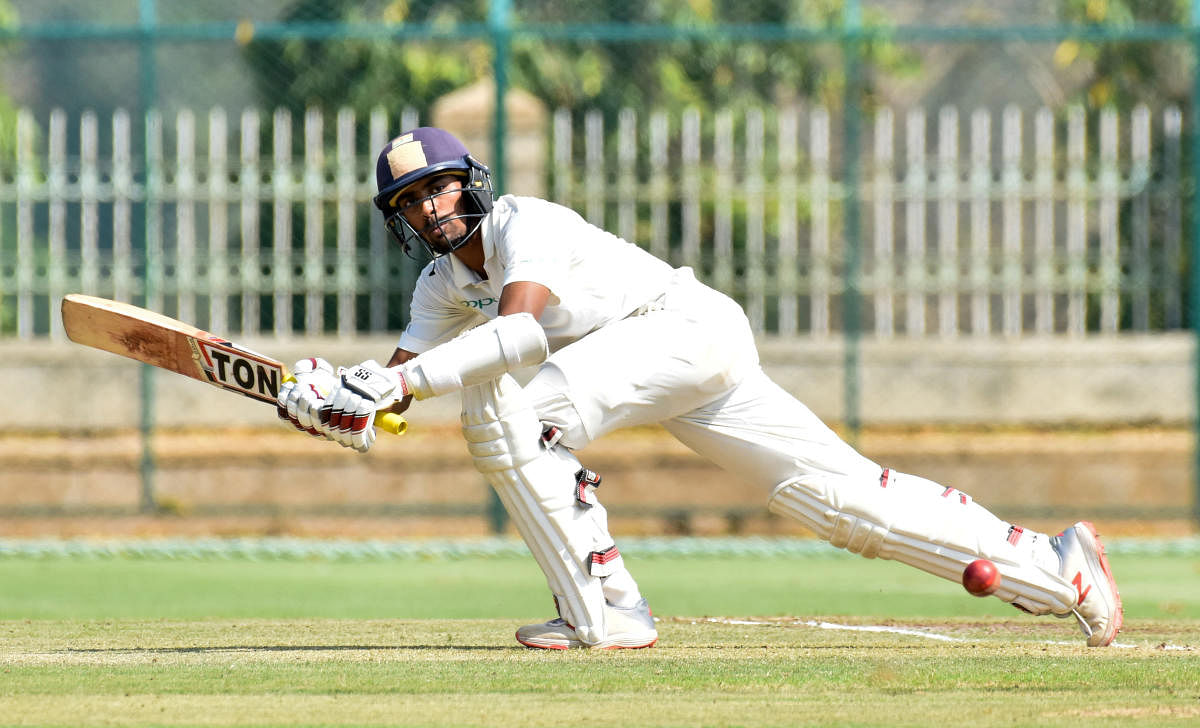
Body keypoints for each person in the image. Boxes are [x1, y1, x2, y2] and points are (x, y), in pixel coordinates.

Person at [276, 127, 1123, 649]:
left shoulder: (524, 224)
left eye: (438, 187)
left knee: (518, 413)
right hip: (666, 363)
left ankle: (607, 611)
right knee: (837, 504)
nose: (430, 210)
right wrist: (333, 406)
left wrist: (386, 388)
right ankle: (1058, 571)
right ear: (400, 220)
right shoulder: (439, 287)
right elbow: (391, 391)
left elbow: (523, 332)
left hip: (682, 329)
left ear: (472, 182)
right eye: (410, 201)